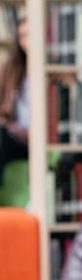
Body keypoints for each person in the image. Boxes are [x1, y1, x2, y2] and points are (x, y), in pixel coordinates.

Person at [0, 12, 28, 185]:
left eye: (30, 35)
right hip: (14, 136)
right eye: (23, 36)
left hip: (41, 139)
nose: (27, 41)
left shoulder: (51, 71)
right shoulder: (10, 68)